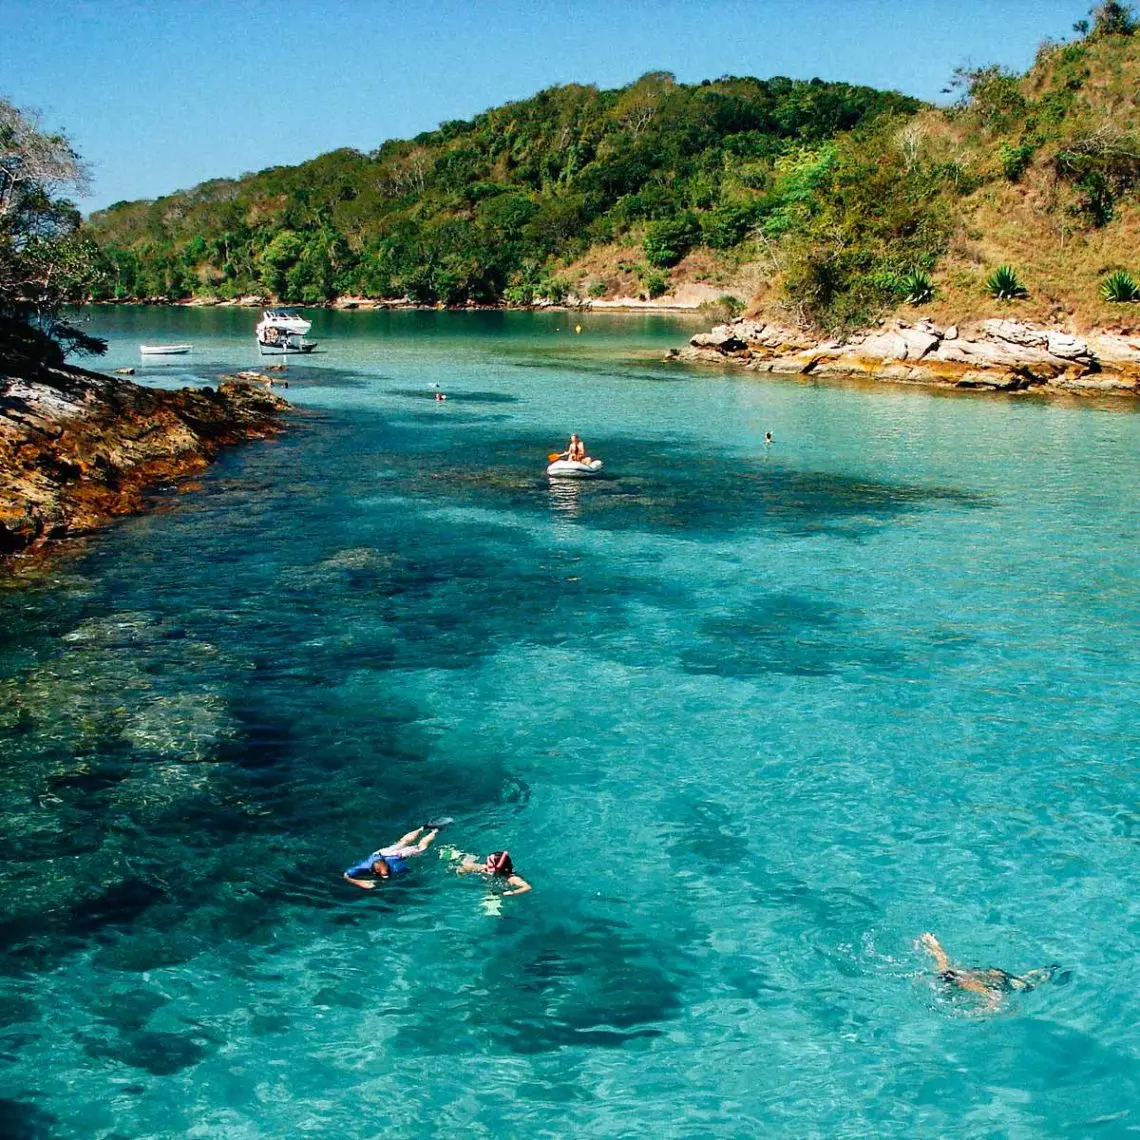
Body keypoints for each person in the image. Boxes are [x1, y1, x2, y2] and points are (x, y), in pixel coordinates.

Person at [917, 932, 1060, 1010]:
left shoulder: (965, 983)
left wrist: (987, 1009)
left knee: (1028, 985)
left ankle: (1050, 971)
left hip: (1003, 981)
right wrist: (931, 941)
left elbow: (993, 995)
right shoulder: (947, 971)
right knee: (1027, 981)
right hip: (992, 973)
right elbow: (940, 955)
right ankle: (1049, 970)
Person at [343, 825, 439, 889]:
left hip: (394, 856)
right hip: (381, 853)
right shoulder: (364, 866)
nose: (386, 876)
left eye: (386, 874)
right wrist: (359, 882)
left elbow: (408, 870)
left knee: (420, 848)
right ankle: (423, 827)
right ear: (373, 870)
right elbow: (346, 875)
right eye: (385, 875)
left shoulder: (396, 867)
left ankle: (435, 830)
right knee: (403, 842)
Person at [457, 850, 532, 896]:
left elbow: (527, 887)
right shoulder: (485, 868)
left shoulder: (511, 878)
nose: (487, 863)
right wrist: (461, 873)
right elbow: (467, 867)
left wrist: (512, 892)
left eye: (490, 862)